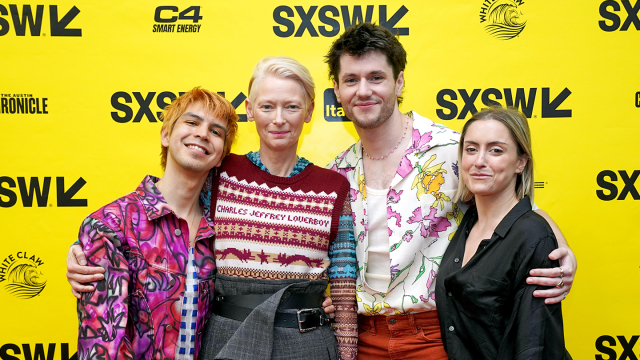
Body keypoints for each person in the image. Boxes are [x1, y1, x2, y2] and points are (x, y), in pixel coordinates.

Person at [69, 57, 357, 360]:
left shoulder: (334, 187)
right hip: (228, 342)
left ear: (309, 111)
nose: (279, 119)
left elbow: (344, 290)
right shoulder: (220, 173)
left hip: (305, 345)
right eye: (267, 106)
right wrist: (86, 247)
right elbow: (164, 214)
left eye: (292, 107)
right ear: (249, 110)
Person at [324, 22, 576, 359]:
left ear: (399, 83)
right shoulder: (337, 171)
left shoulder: (452, 151)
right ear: (337, 91)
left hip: (436, 336)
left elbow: (515, 210)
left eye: (376, 77)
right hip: (362, 338)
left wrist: (561, 250)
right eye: (351, 80)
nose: (364, 90)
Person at [75, 87, 239, 360]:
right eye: (192, 122)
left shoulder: (222, 232)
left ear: (220, 156)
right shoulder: (111, 224)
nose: (202, 134)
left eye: (216, 131)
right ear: (165, 135)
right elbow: (102, 344)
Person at [435, 106, 569, 359]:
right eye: (471, 149)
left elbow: (534, 345)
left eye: (496, 150)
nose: (479, 161)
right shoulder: (466, 220)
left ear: (520, 162)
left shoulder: (532, 235)